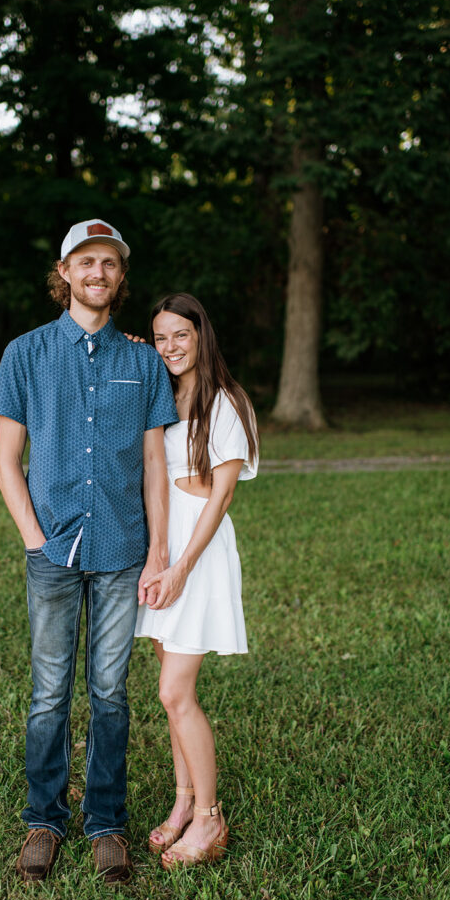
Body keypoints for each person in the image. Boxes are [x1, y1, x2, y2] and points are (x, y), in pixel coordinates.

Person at [0, 219, 177, 884]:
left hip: (125, 548)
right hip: (52, 551)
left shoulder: (142, 360)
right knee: (48, 693)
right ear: (64, 273)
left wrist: (157, 551)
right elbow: (7, 460)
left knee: (109, 693)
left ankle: (105, 824)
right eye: (85, 261)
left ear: (121, 277)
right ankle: (44, 820)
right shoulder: (25, 354)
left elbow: (156, 463)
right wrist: (35, 539)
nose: (98, 272)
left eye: (110, 263)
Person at [134, 292, 258, 868]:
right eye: (160, 337)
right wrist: (158, 555)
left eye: (180, 335)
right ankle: (183, 801)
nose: (170, 347)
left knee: (173, 691)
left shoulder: (227, 402)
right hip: (163, 544)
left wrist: (181, 565)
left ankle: (209, 820)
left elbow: (222, 495)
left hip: (199, 553)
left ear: (201, 334)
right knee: (169, 685)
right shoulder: (165, 393)